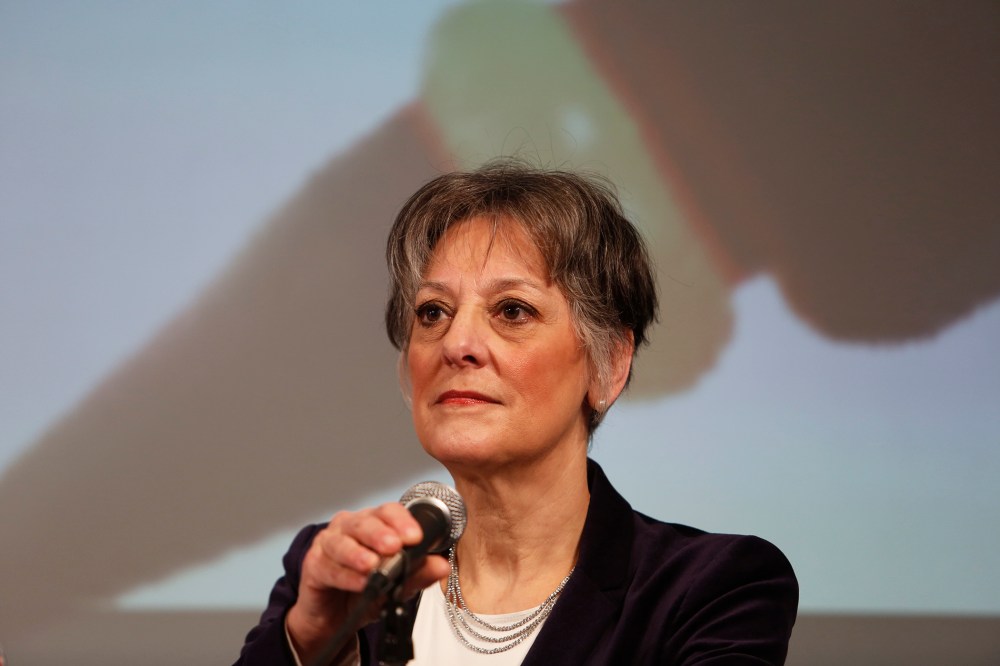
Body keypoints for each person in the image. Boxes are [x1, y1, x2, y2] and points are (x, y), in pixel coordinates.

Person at [235, 161, 798, 665]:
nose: (457, 344)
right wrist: (308, 643)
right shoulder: (346, 575)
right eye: (433, 312)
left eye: (512, 310)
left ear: (609, 364)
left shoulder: (711, 589)